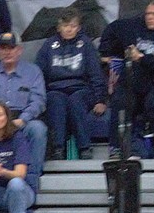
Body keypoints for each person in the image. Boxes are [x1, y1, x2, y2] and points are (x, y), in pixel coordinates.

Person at [98, 0, 154, 159]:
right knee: (120, 100)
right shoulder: (135, 28)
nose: (149, 18)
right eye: (147, 14)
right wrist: (105, 53)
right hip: (133, 82)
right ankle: (116, 147)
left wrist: (141, 58)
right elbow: (113, 28)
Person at [0, 32, 47, 189]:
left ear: (19, 50)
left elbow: (38, 101)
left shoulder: (33, 71)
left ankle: (31, 179)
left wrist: (23, 119)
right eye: (2, 48)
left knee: (38, 129)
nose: (7, 52)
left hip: (21, 118)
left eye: (11, 48)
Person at [36, 8, 107, 161]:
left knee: (76, 101)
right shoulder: (49, 45)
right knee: (56, 100)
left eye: (73, 26)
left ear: (79, 28)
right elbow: (38, 75)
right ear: (59, 27)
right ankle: (58, 149)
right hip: (55, 89)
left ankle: (85, 148)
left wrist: (100, 100)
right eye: (66, 26)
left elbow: (96, 73)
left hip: (81, 89)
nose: (69, 29)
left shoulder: (86, 44)